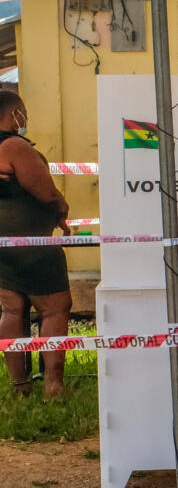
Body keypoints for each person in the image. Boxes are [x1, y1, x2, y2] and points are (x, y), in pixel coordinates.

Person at [0, 91, 71, 398]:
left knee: (11, 309)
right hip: (32, 246)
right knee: (54, 309)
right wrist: (61, 209)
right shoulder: (15, 146)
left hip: (2, 246)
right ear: (14, 113)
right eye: (23, 112)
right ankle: (53, 385)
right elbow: (44, 191)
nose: (25, 119)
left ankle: (19, 387)